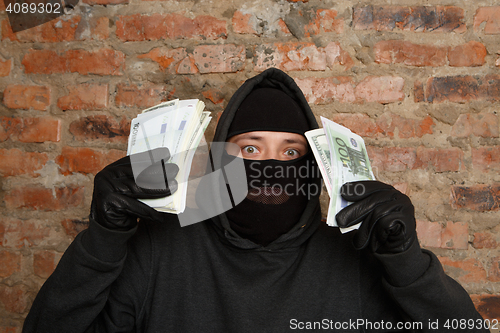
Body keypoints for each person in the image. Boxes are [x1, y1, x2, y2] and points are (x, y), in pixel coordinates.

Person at [23, 68, 487, 332]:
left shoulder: (354, 259)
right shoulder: (161, 250)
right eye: (249, 149)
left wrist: (407, 262)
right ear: (220, 155)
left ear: (316, 163)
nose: (271, 166)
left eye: (291, 152)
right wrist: (103, 240)